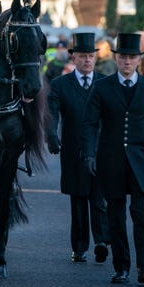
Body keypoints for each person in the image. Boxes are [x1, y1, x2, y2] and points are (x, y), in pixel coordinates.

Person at [81, 32, 144, 284]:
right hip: (111, 161)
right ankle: (121, 266)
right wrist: (89, 153)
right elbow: (90, 123)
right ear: (116, 59)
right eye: (123, 57)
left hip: (142, 161)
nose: (127, 62)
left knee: (141, 214)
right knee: (116, 216)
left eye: (132, 58)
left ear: (138, 60)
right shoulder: (102, 87)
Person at [47, 32, 110, 264]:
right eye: (82, 56)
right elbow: (51, 113)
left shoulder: (105, 82)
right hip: (73, 149)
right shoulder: (61, 84)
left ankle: (102, 241)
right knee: (78, 200)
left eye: (90, 56)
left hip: (100, 149)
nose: (87, 60)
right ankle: (80, 247)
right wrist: (51, 134)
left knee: (99, 198)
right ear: (73, 58)